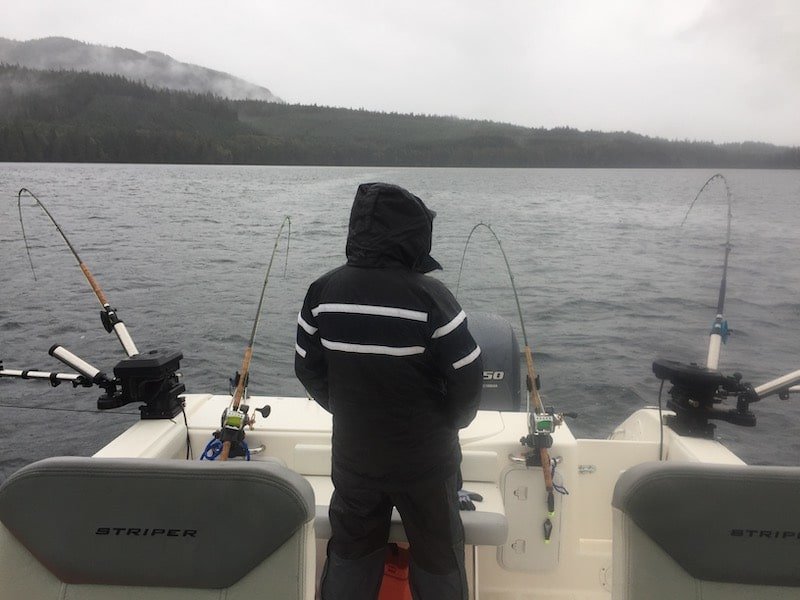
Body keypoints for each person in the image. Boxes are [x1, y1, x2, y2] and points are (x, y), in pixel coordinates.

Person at [295, 182, 483, 599]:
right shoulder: (432, 297)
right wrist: (448, 421)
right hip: (427, 465)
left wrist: (346, 408)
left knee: (350, 554)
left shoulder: (322, 293)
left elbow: (306, 367)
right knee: (438, 559)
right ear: (415, 236)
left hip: (355, 459)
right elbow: (468, 379)